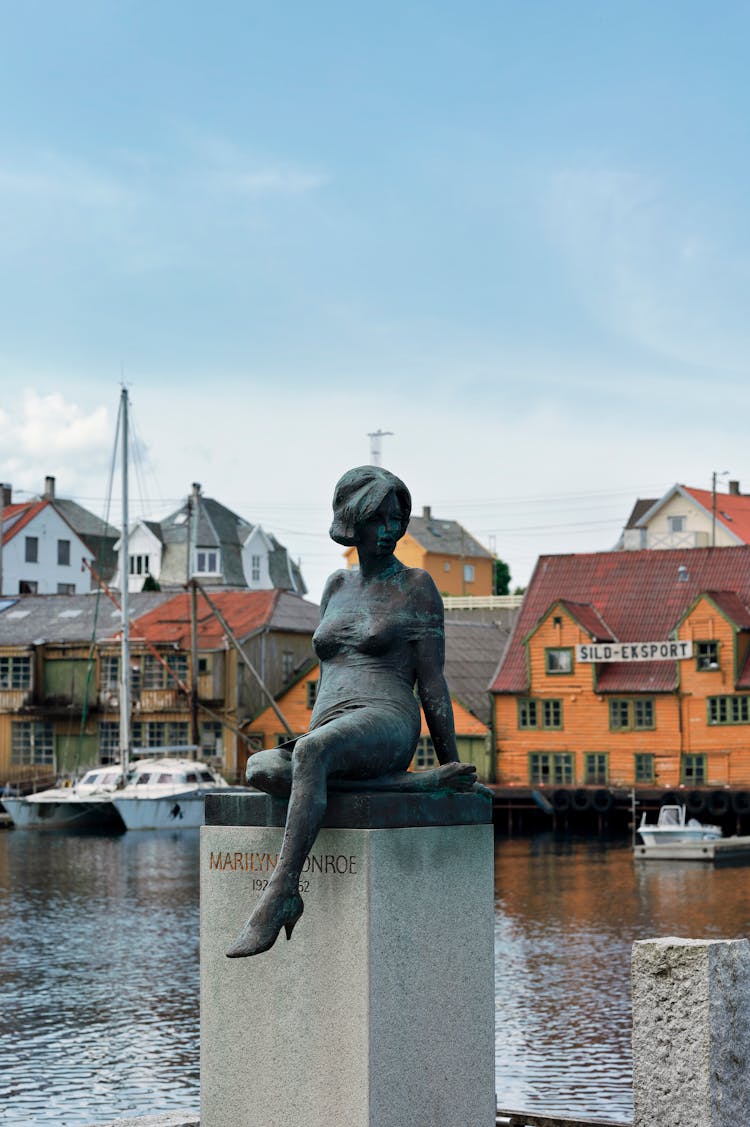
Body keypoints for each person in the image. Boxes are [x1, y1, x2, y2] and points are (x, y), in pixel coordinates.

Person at [225, 466, 481, 959]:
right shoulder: (335, 586)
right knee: (260, 767)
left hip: (387, 716)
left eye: (396, 519)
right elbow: (328, 672)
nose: (389, 531)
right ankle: (414, 784)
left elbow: (432, 680)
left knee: (314, 753)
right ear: (352, 521)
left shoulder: (417, 586)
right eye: (378, 519)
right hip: (334, 726)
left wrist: (451, 759)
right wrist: (316, 734)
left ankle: (281, 894)